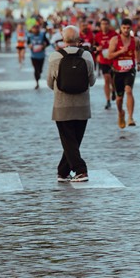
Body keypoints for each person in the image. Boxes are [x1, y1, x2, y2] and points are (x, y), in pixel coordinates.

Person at [47, 26, 96, 183]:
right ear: (78, 39)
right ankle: (63, 171)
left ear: (63, 39)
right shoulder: (87, 55)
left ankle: (81, 170)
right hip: (82, 106)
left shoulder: (55, 57)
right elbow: (92, 81)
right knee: (74, 141)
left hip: (62, 106)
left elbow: (49, 83)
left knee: (69, 141)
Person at [108, 18, 140, 129]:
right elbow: (110, 55)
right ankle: (121, 113)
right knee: (119, 98)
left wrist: (139, 62)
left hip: (130, 69)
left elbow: (137, 50)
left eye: (128, 28)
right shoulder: (115, 40)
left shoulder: (135, 40)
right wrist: (121, 51)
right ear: (120, 28)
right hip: (117, 71)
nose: (126, 30)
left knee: (129, 90)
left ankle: (130, 117)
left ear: (131, 28)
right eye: (124, 28)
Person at [94, 18, 117, 109]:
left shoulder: (114, 34)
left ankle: (114, 91)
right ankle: (108, 100)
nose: (104, 25)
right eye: (103, 24)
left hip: (113, 60)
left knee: (113, 80)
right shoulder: (98, 35)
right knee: (106, 79)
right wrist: (97, 51)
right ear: (100, 25)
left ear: (109, 25)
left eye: (106, 24)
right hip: (104, 60)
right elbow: (95, 46)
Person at [27, 24, 50, 89]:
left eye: (37, 29)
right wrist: (30, 46)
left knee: (40, 70)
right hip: (33, 56)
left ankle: (39, 74)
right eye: (34, 29)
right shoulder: (30, 36)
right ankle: (37, 83)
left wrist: (43, 46)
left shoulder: (42, 35)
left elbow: (48, 43)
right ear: (32, 29)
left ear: (38, 29)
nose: (35, 30)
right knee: (36, 69)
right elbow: (28, 43)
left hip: (41, 56)